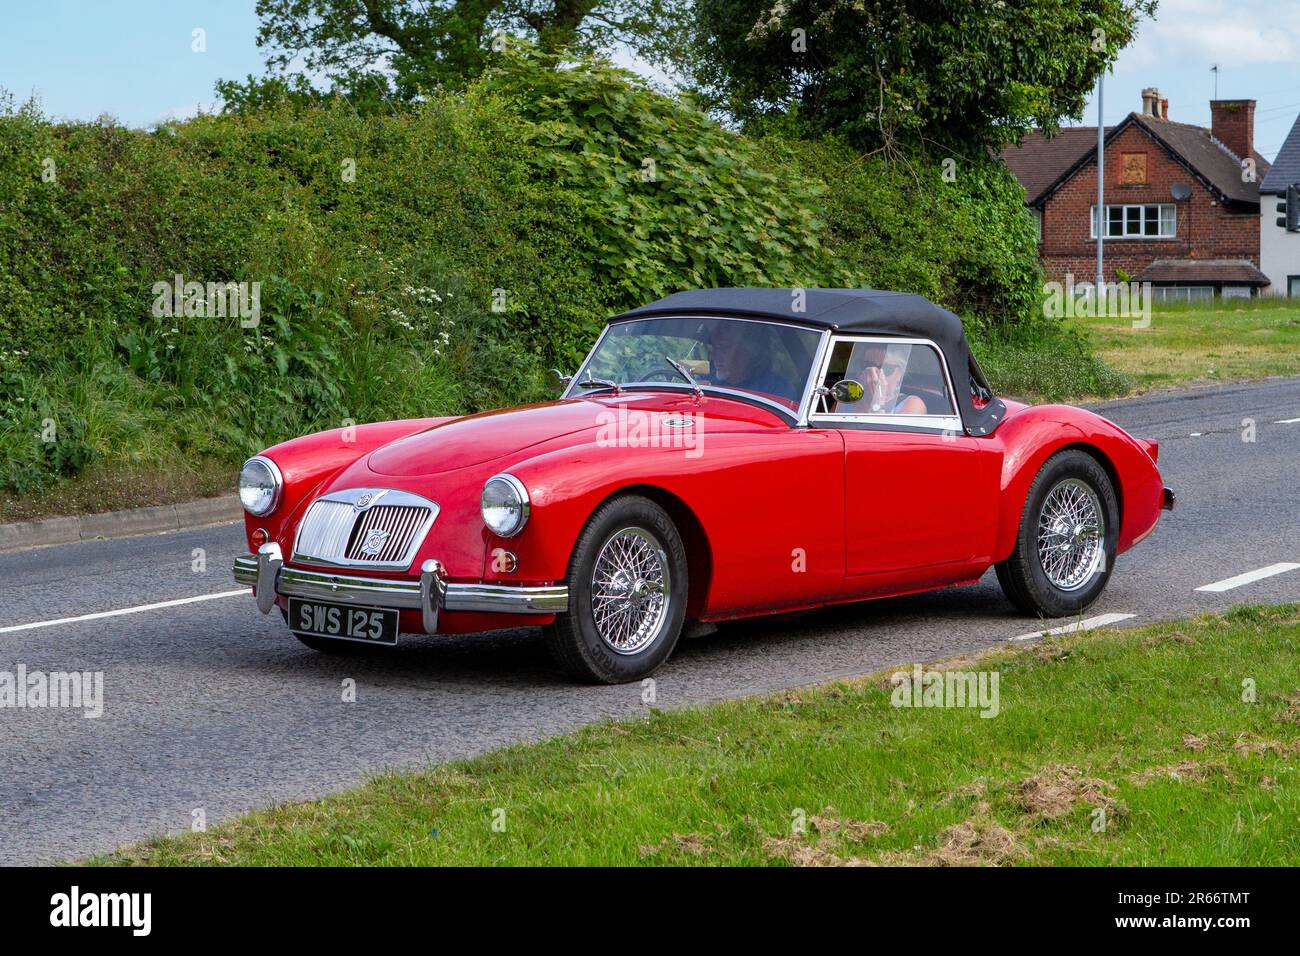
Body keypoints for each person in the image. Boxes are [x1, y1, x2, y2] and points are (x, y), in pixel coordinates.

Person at [707, 321, 793, 399]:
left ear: (747, 352)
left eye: (724, 349)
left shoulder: (776, 388)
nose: (713, 356)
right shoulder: (706, 381)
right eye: (714, 348)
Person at [850, 343, 928, 415]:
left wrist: (875, 404)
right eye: (867, 365)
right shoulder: (848, 398)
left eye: (886, 368)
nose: (875, 376)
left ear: (899, 374)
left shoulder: (913, 404)